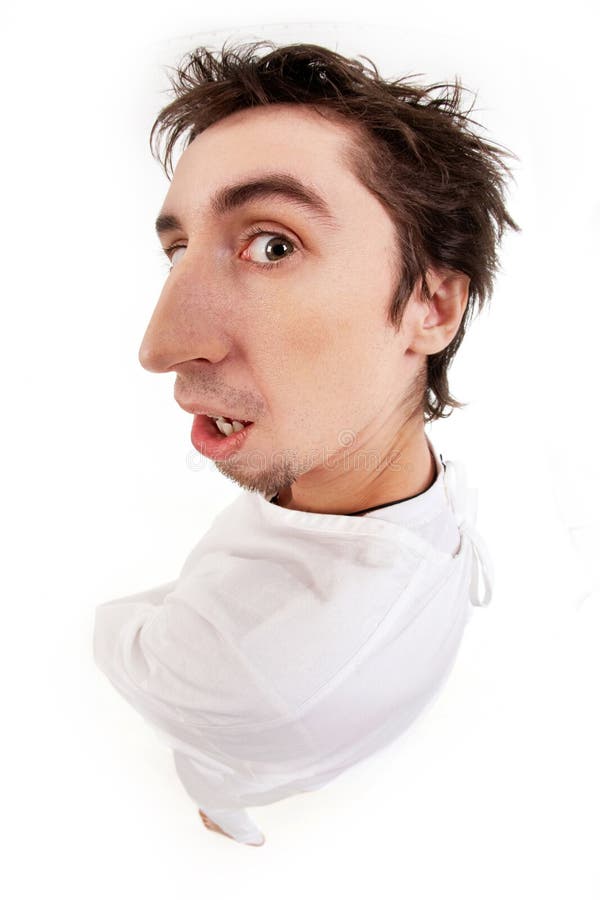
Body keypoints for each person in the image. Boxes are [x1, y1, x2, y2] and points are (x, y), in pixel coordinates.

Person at [93, 39, 519, 846]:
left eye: (273, 245)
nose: (160, 347)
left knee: (217, 787)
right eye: (178, 250)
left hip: (241, 744)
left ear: (431, 306)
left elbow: (112, 641)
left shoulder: (237, 677)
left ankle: (226, 824)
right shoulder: (404, 473)